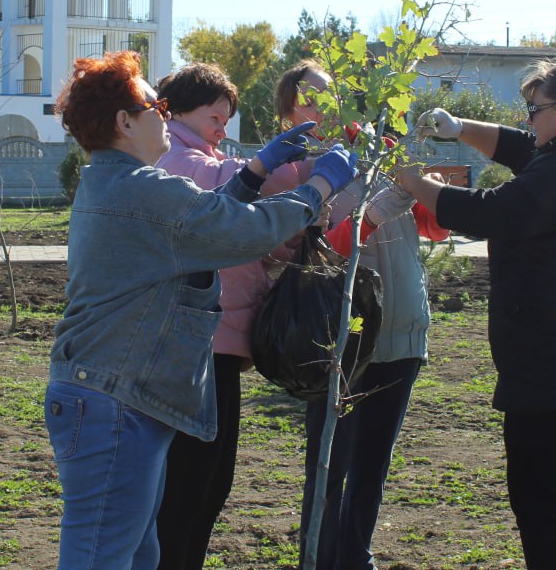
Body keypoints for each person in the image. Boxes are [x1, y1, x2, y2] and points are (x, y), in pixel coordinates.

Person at [44, 50, 360, 570]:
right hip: (113, 401)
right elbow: (242, 230)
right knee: (102, 556)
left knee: (138, 552)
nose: (165, 115)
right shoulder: (143, 189)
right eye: (157, 107)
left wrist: (256, 171)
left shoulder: (117, 182)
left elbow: (205, 222)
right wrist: (319, 185)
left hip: (111, 392)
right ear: (125, 122)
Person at [396, 47, 556, 570]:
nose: (529, 121)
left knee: (542, 504)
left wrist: (413, 181)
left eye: (535, 110)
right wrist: (459, 128)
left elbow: (492, 213)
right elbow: (522, 148)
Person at [152, 62, 393, 570]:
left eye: (226, 120)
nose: (222, 130)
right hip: (198, 343)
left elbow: (252, 235)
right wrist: (305, 173)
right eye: (214, 118)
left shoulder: (210, 155)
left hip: (228, 340)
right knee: (189, 485)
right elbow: (227, 186)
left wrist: (299, 235)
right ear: (175, 112)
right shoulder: (174, 158)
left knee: (211, 484)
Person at [274, 58, 449, 570]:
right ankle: (320, 560)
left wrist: (432, 195)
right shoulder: (294, 171)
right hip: (341, 338)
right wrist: (368, 216)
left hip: (401, 327)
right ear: (289, 113)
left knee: (373, 467)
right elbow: (307, 253)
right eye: (309, 97)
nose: (323, 106)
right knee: (330, 467)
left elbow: (433, 229)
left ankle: (356, 559)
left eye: (330, 93)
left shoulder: (384, 152)